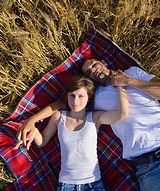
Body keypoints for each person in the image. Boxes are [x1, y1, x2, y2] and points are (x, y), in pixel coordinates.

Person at [16, 58, 160, 191]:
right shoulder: (94, 97)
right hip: (148, 165)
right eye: (88, 72)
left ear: (103, 62)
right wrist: (31, 121)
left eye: (93, 64)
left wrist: (127, 81)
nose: (93, 70)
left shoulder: (132, 72)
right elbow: (62, 104)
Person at [15, 75, 129, 191]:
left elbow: (122, 114)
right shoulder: (59, 116)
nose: (75, 101)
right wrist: (34, 131)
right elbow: (42, 141)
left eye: (81, 96)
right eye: (72, 95)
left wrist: (120, 85)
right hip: (66, 185)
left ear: (88, 97)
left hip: (93, 184)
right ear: (67, 96)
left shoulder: (95, 118)